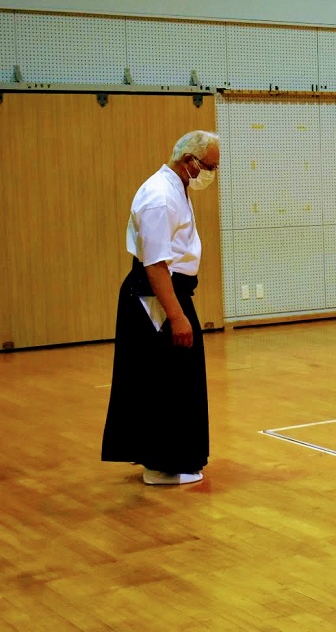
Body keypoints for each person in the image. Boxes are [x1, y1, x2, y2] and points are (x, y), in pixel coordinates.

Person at [101, 131, 220, 485]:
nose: (212, 174)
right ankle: (160, 465)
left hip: (169, 292)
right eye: (209, 167)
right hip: (155, 297)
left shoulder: (175, 187)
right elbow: (155, 264)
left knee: (177, 378)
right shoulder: (159, 196)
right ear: (190, 161)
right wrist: (177, 316)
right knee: (162, 380)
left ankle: (172, 459)